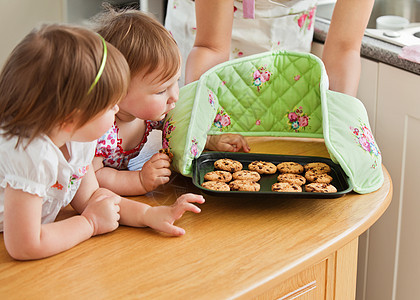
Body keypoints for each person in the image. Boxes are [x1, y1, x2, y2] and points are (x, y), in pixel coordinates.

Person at [0, 24, 205, 260]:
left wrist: (149, 215)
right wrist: (89, 224)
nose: (117, 110)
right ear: (71, 118)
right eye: (110, 106)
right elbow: (25, 245)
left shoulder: (78, 141)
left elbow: (92, 198)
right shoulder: (30, 156)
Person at [91, 7, 250, 196]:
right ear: (118, 90)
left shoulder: (151, 114)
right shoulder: (97, 128)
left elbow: (177, 129)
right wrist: (139, 180)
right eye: (161, 90)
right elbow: (93, 177)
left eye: (176, 81)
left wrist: (208, 140)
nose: (175, 95)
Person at [165, 0, 374, 97]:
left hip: (289, 31)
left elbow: (344, 48)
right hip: (205, 33)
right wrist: (200, 123)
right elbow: (210, 47)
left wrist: (342, 121)